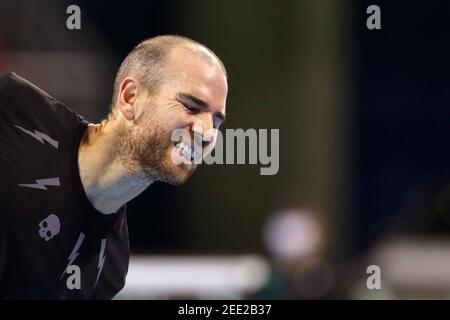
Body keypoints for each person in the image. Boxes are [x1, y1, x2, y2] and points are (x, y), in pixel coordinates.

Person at [0, 35, 228, 299]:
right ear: (130, 98)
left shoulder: (108, 269)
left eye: (217, 121)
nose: (208, 133)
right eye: (191, 106)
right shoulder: (15, 111)